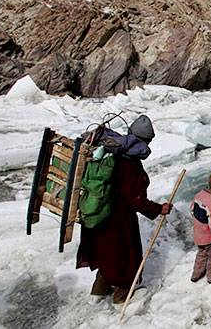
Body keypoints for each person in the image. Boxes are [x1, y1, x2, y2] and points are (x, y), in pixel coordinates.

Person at [77, 115, 173, 305]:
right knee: (125, 256)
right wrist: (158, 209)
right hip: (117, 218)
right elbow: (134, 199)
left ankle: (99, 291)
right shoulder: (130, 162)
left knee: (107, 254)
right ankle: (122, 295)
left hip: (98, 213)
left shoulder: (110, 154)